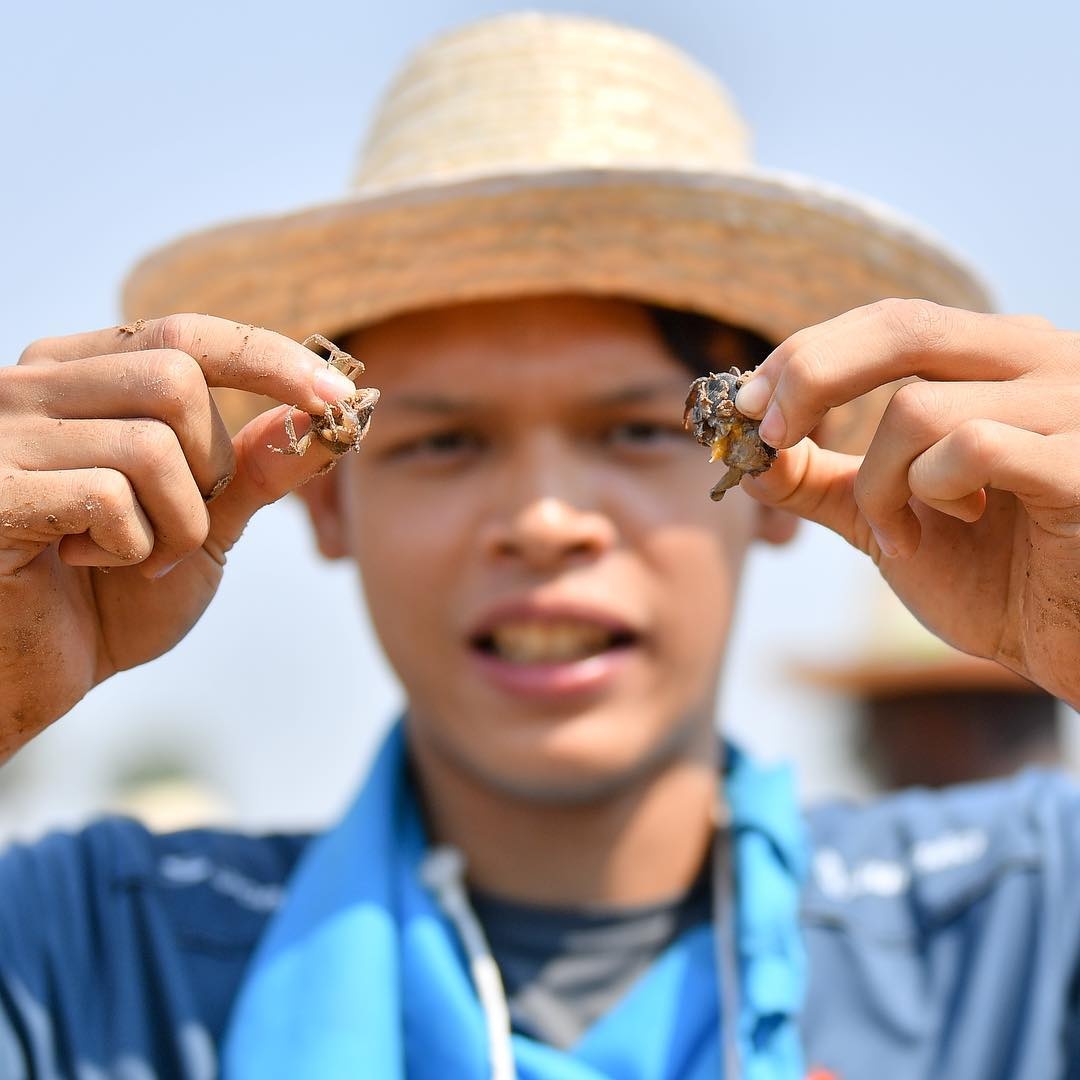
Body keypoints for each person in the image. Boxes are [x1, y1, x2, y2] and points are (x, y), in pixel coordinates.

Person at [2, 12, 1079, 1079]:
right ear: (322, 495)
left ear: (772, 480)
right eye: (446, 441)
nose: (545, 520)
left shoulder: (1023, 928)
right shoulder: (88, 958)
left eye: (641, 431)